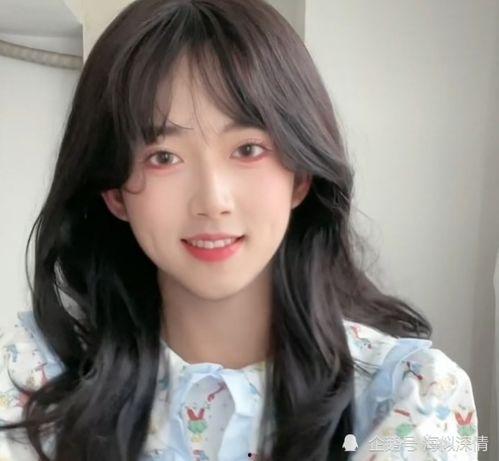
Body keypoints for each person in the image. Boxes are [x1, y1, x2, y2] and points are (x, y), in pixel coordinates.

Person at [0, 0, 478, 460]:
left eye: (248, 149)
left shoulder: (414, 397)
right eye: (163, 157)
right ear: (115, 192)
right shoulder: (32, 382)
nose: (212, 201)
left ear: (301, 175)